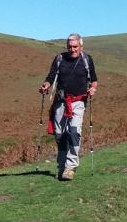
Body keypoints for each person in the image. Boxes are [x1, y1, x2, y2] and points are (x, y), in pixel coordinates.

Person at [39, 33, 98, 181]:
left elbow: (94, 80)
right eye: (70, 47)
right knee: (60, 135)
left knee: (73, 131)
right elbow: (51, 77)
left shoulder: (86, 60)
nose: (72, 49)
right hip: (61, 102)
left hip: (78, 102)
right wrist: (46, 86)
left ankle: (70, 167)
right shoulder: (59, 59)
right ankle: (61, 164)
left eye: (75, 46)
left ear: (81, 46)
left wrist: (93, 89)